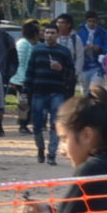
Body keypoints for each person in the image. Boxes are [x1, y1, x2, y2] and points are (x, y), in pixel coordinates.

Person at [21, 21, 80, 165]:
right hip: (38, 92)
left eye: (53, 33)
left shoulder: (64, 52)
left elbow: (71, 74)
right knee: (37, 124)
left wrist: (61, 69)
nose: (49, 35)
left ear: (58, 35)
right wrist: (25, 91)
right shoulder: (37, 50)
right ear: (43, 34)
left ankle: (52, 153)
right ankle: (40, 149)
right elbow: (30, 72)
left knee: (56, 123)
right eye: (47, 32)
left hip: (57, 93)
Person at [73, 10, 107, 83]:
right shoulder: (80, 33)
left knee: (96, 88)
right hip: (84, 66)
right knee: (85, 91)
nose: (91, 23)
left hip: (98, 66)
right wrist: (83, 49)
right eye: (89, 21)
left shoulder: (103, 33)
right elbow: (75, 48)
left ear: (97, 21)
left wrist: (100, 48)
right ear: (86, 21)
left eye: (94, 21)